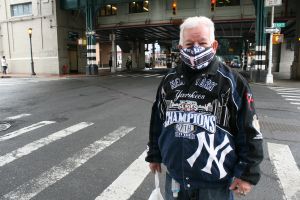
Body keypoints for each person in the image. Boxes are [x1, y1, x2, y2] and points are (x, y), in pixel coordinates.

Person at [145, 16, 263, 200]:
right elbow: (158, 120)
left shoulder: (232, 82)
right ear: (180, 47)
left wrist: (247, 174)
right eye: (189, 44)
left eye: (202, 43)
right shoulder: (169, 80)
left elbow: (249, 131)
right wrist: (154, 154)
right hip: (176, 178)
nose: (196, 48)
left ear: (214, 46)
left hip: (214, 185)